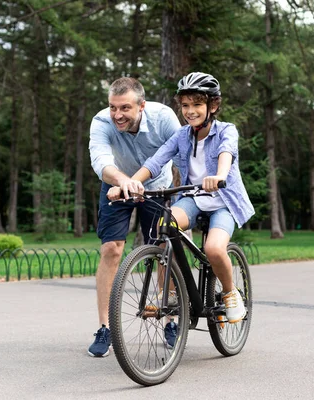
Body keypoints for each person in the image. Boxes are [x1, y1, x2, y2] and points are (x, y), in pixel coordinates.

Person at [108, 72, 255, 345]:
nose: (190, 111)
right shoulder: (182, 136)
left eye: (197, 105)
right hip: (193, 198)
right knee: (165, 227)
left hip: (223, 201)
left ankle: (230, 292)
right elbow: (155, 161)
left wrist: (219, 176)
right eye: (185, 105)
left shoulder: (226, 130)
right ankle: (173, 293)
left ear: (213, 106)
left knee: (213, 249)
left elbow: (226, 154)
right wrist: (128, 183)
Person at [87, 77, 181, 357]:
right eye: (113, 107)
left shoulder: (164, 117)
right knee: (111, 249)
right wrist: (124, 181)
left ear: (141, 105)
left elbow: (183, 153)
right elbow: (101, 161)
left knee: (164, 250)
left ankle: (171, 320)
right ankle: (105, 327)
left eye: (124, 108)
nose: (117, 115)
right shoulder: (101, 121)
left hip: (157, 186)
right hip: (116, 185)